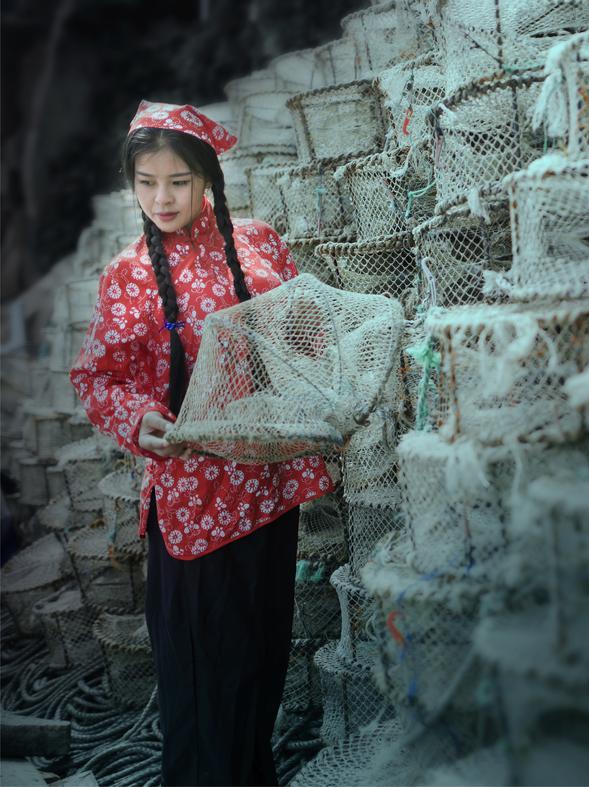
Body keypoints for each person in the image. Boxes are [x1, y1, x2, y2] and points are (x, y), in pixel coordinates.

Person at [70, 101, 335, 785]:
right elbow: (97, 378)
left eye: (179, 181)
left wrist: (318, 363)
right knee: (203, 689)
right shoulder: (129, 275)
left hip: (270, 490)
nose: (162, 198)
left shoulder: (259, 243)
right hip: (194, 508)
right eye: (147, 182)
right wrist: (139, 420)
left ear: (209, 179)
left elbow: (305, 336)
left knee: (259, 667)